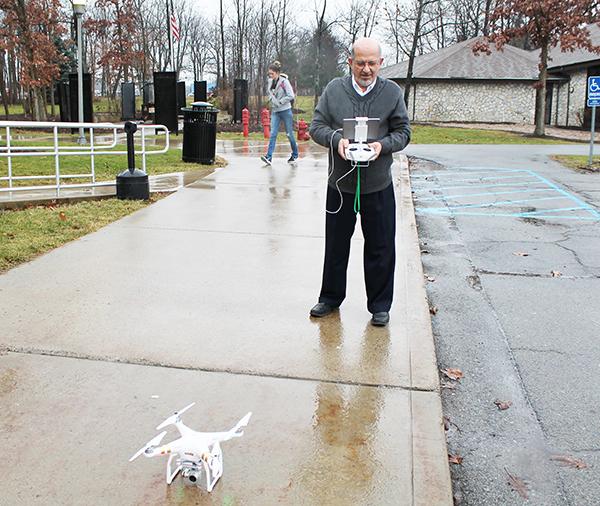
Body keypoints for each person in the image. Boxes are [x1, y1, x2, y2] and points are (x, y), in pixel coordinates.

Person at [308, 37, 411, 327]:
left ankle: (379, 305)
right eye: (361, 62)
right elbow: (317, 127)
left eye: (372, 63)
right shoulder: (333, 90)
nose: (366, 69)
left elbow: (404, 132)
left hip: (377, 186)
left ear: (380, 63)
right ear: (350, 62)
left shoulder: (391, 93)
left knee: (380, 246)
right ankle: (330, 298)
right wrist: (336, 140)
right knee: (336, 245)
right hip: (340, 186)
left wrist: (383, 146)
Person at [260, 61, 299, 166]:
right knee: (273, 134)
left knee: (289, 134)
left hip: (285, 110)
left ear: (277, 73)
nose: (270, 75)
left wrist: (281, 101)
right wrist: (270, 100)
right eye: (269, 74)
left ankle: (295, 154)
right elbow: (270, 93)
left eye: (272, 74)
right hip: (275, 111)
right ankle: (269, 157)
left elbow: (291, 95)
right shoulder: (270, 82)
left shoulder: (284, 82)